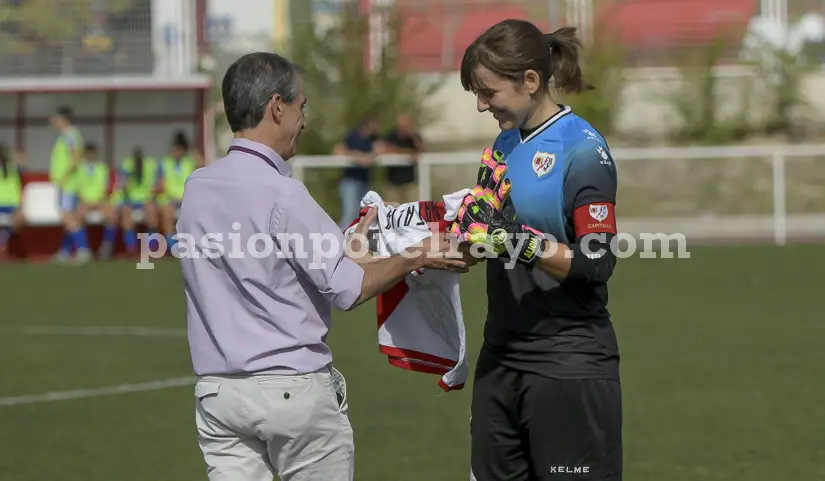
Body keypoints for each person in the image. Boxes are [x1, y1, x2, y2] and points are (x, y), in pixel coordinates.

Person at [177, 52, 474, 481]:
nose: (304, 120)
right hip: (291, 391)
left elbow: (272, 260)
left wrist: (355, 241)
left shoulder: (196, 188)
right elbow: (347, 289)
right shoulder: (284, 194)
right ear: (277, 107)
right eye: (302, 107)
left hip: (218, 396)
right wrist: (419, 252)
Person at [455, 20, 622, 481]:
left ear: (530, 81)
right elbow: (491, 237)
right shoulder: (505, 143)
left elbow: (597, 261)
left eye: (488, 93)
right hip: (500, 359)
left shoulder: (582, 149)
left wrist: (514, 240)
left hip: (567, 365)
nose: (481, 105)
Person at [48, 106, 85, 263]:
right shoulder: (66, 135)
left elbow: (75, 156)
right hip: (64, 183)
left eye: (56, 119)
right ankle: (65, 251)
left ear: (63, 120)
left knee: (68, 217)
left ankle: (84, 250)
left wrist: (64, 176)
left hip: (68, 183)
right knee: (66, 218)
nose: (53, 122)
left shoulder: (70, 135)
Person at [333, 113, 381, 229]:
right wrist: (359, 158)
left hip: (365, 182)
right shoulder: (353, 136)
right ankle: (343, 242)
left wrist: (372, 155)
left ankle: (359, 241)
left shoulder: (374, 139)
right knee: (349, 214)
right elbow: (338, 150)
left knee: (366, 214)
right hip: (350, 182)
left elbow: (380, 149)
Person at [73, 142, 118, 261]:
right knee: (77, 216)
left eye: (93, 153)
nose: (91, 156)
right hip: (85, 201)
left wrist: (99, 201)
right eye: (89, 153)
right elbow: (77, 187)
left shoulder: (103, 168)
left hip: (100, 201)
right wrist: (85, 200)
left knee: (112, 215)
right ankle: (84, 250)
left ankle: (106, 248)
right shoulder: (79, 169)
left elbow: (106, 187)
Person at [113, 146, 160, 255]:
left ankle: (151, 249)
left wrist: (151, 198)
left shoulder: (150, 165)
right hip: (130, 200)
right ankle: (131, 248)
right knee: (126, 213)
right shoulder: (127, 165)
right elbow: (122, 185)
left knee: (151, 211)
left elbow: (156, 184)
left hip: (146, 199)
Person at [157, 131, 198, 250]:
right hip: (169, 200)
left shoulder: (190, 162)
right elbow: (160, 184)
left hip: (186, 200)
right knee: (167, 214)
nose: (176, 151)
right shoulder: (165, 163)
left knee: (194, 215)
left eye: (179, 148)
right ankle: (174, 248)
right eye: (174, 148)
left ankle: (193, 245)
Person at [381, 112, 425, 204]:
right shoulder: (391, 136)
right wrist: (406, 152)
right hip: (392, 184)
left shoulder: (414, 138)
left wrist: (414, 137)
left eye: (408, 124)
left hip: (410, 183)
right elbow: (385, 149)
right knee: (392, 212)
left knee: (414, 211)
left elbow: (422, 151)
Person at [0, 144, 25, 258]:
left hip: (12, 205)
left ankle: (2, 240)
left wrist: (10, 151)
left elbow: (21, 157)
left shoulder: (13, 168)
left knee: (21, 220)